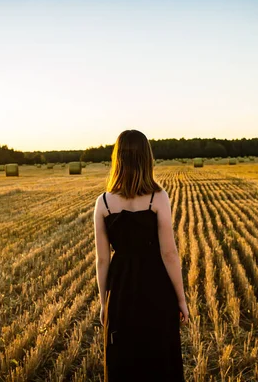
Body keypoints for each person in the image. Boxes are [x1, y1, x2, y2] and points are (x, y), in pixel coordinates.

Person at [93, 129, 188, 382]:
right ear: (147, 159)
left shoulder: (103, 203)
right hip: (156, 287)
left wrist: (104, 303)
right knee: (159, 360)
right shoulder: (158, 198)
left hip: (121, 290)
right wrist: (181, 299)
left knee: (124, 361)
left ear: (117, 159)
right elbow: (169, 253)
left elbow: (102, 260)